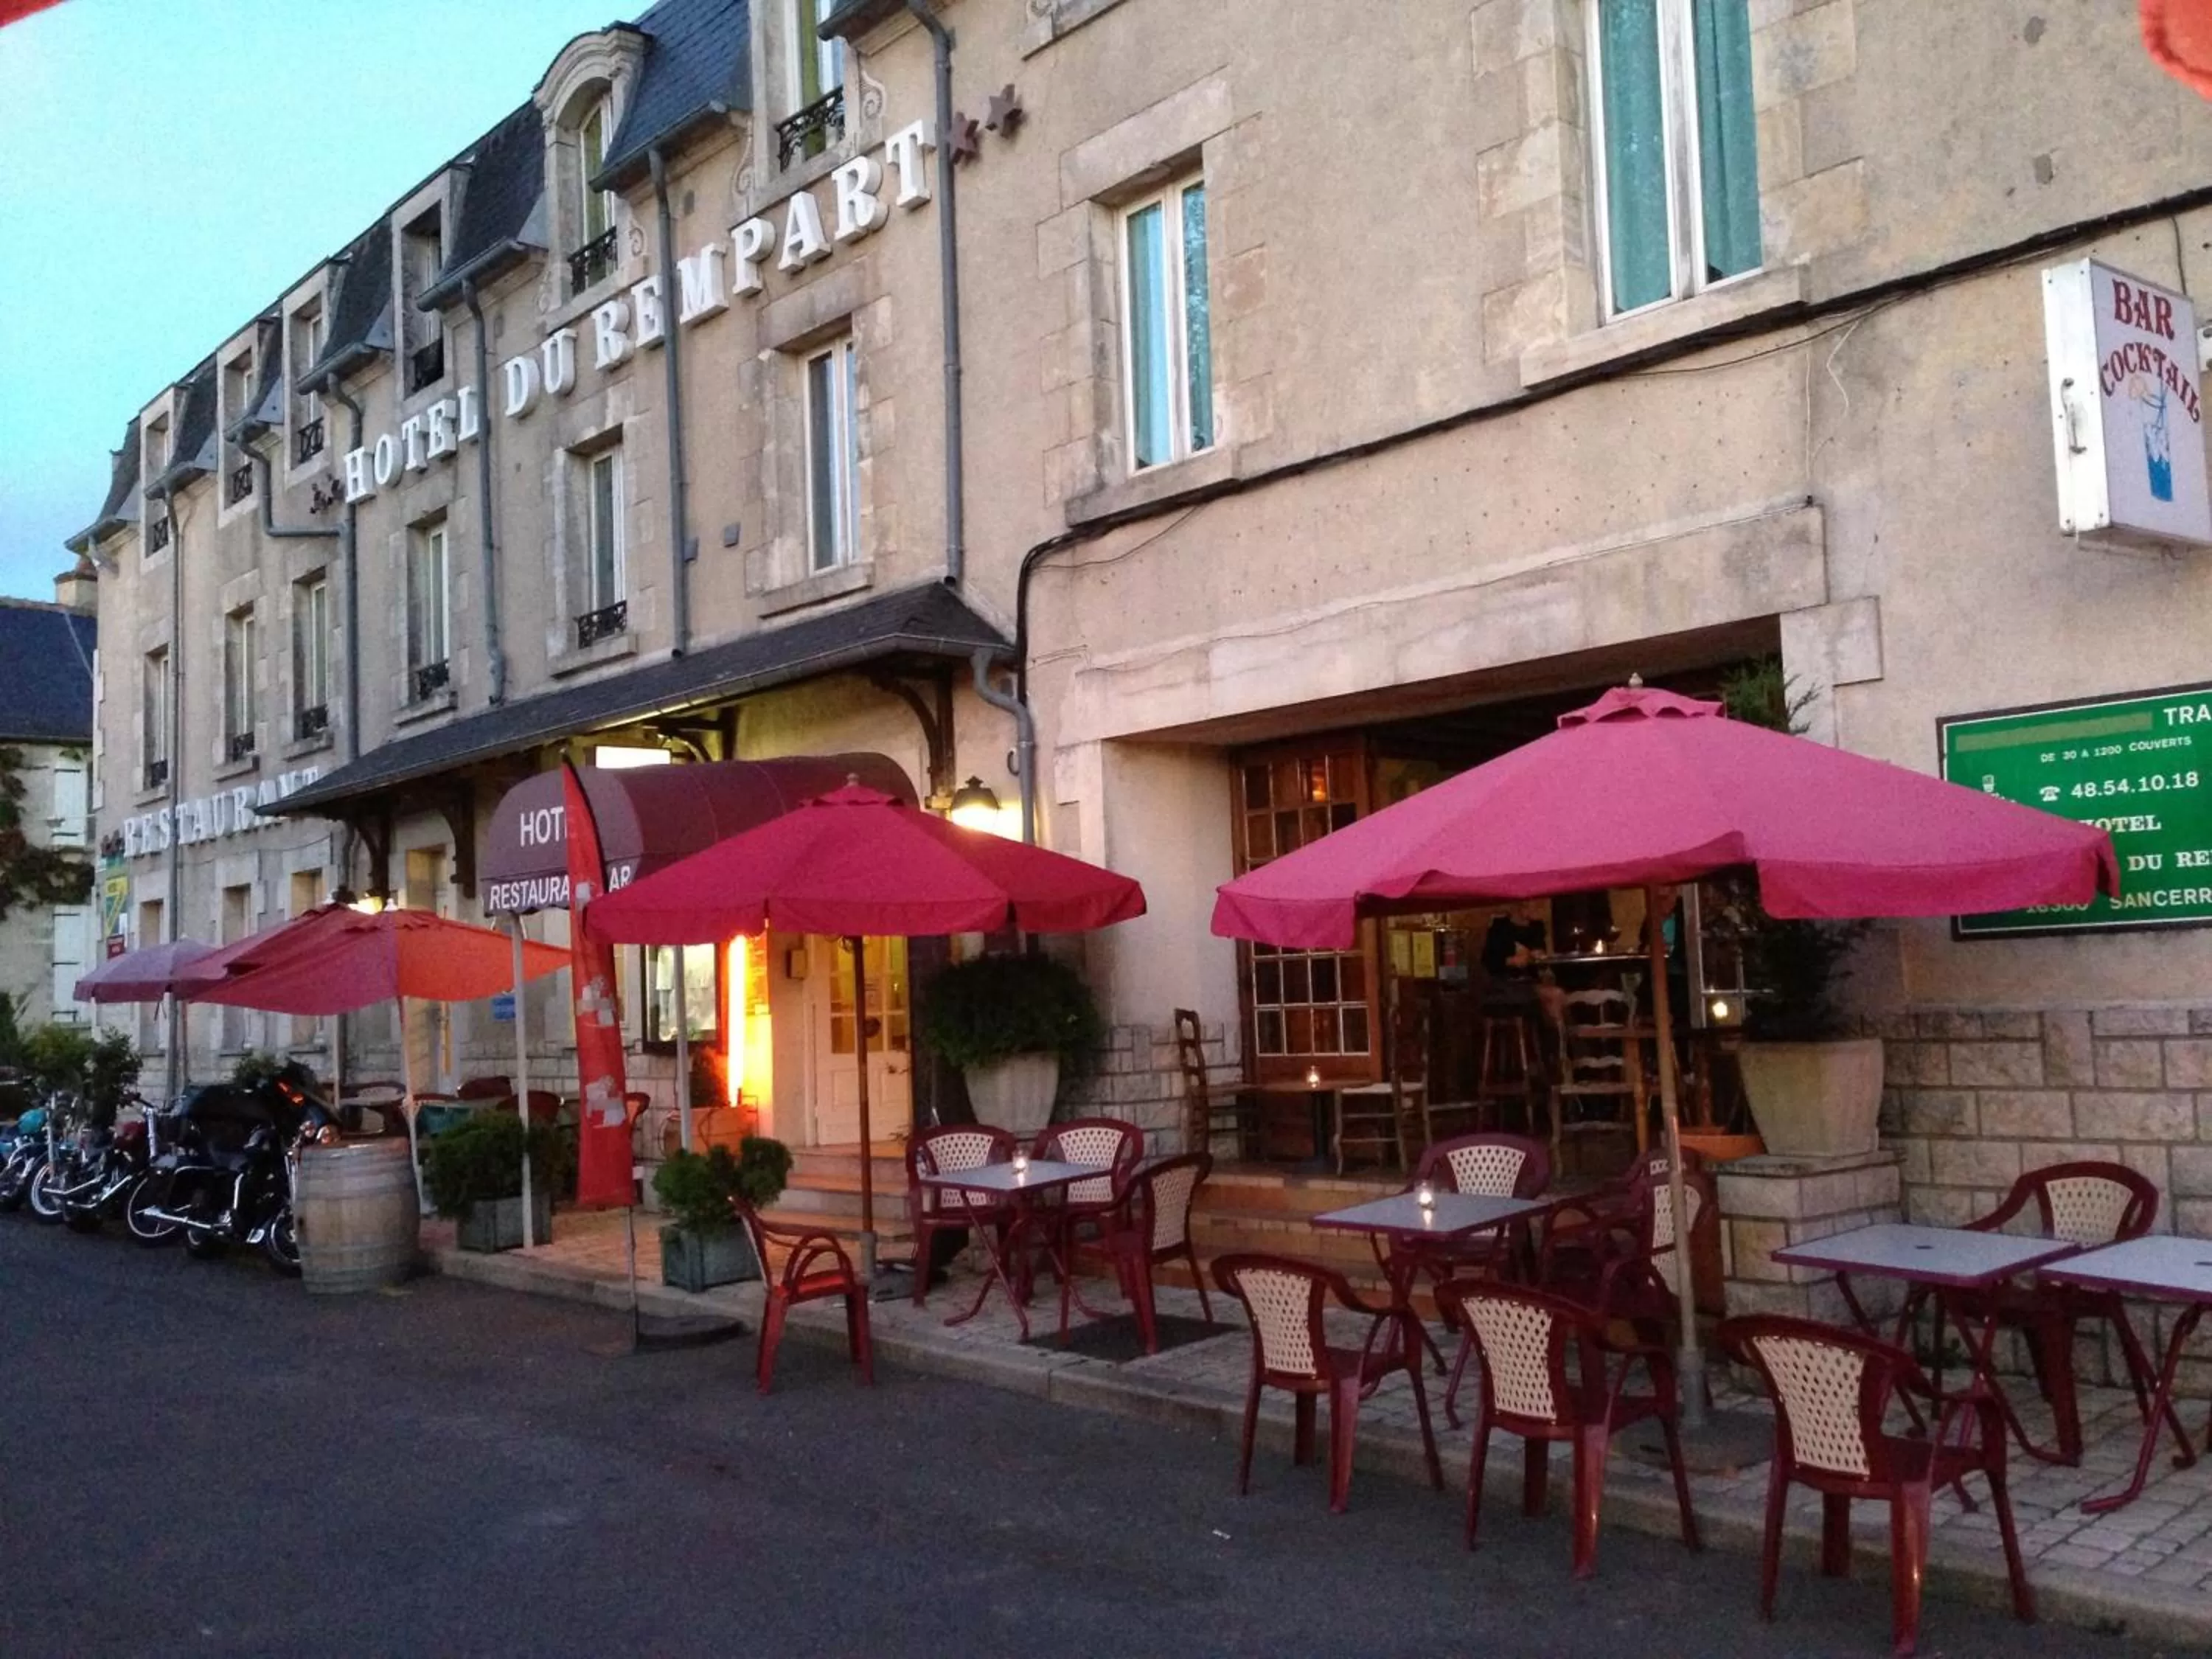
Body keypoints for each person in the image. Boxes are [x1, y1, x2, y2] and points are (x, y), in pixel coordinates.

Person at [1481, 902, 1548, 979]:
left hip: (1531, 980)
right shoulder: (1499, 927)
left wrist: (1539, 957)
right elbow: (1488, 960)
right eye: (1525, 906)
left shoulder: (1537, 927)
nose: (1531, 909)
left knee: (1556, 991)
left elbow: (1543, 961)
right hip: (1506, 980)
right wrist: (1510, 961)